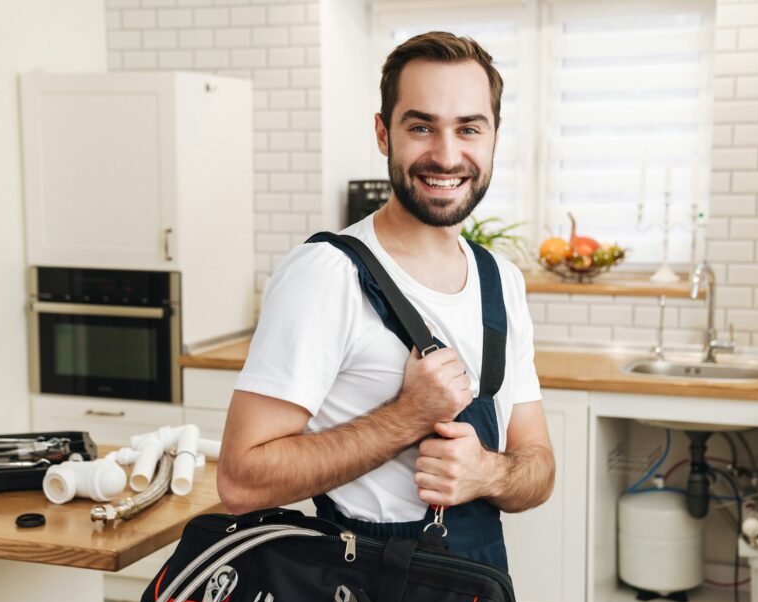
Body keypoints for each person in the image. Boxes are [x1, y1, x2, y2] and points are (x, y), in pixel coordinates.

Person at [217, 31, 555, 572]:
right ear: (383, 133)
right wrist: (406, 417)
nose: (446, 155)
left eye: (469, 128)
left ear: (493, 136)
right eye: (421, 127)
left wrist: (487, 473)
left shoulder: (502, 281)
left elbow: (539, 469)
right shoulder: (326, 274)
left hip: (479, 597)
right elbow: (239, 480)